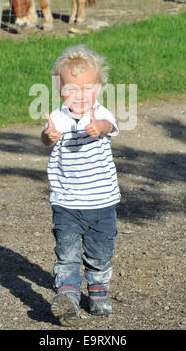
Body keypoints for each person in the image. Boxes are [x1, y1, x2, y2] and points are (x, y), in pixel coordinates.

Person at [41, 44, 120, 326]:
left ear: (98, 89)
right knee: (68, 254)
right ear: (61, 90)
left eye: (87, 89)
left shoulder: (102, 115)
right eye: (71, 89)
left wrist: (98, 127)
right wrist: (49, 137)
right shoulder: (58, 116)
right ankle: (69, 299)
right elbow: (46, 136)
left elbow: (109, 126)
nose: (80, 95)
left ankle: (98, 293)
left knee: (100, 253)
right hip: (66, 203)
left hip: (101, 202)